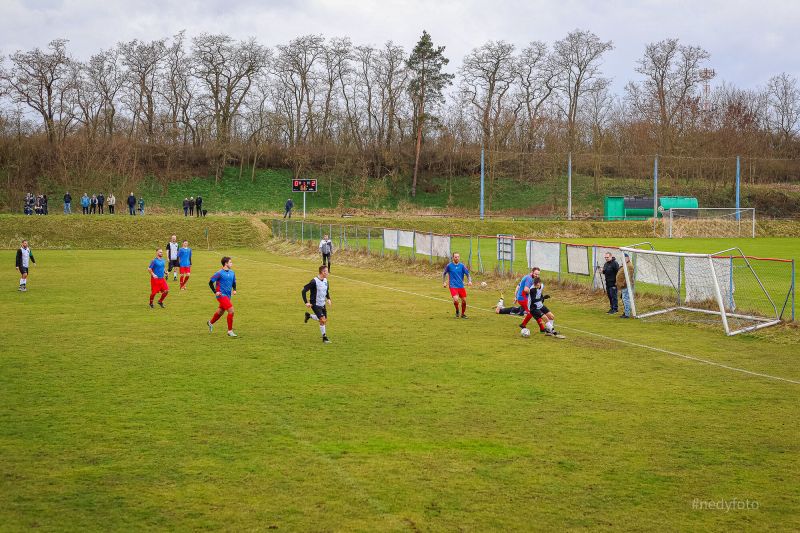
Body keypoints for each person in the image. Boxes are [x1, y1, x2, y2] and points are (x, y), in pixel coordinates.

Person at [208, 256, 238, 337]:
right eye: (230, 262)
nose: (232, 263)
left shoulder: (232, 272)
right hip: (221, 295)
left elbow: (234, 282)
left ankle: (210, 323)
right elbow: (210, 282)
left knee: (220, 312)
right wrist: (215, 292)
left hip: (228, 296)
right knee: (231, 311)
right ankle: (230, 331)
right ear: (226, 263)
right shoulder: (219, 273)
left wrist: (234, 289)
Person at [302, 265, 332, 344]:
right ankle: (324, 337)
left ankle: (309, 316)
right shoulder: (314, 281)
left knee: (323, 320)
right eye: (327, 271)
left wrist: (328, 298)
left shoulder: (326, 281)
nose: (328, 273)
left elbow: (326, 291)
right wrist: (306, 302)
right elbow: (303, 291)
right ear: (323, 272)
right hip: (315, 304)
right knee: (322, 319)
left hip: (322, 303)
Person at [442, 252, 472, 319]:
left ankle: (463, 314)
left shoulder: (462, 266)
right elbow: (444, 273)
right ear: (453, 258)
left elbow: (468, 274)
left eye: (458, 257)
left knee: (464, 301)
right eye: (455, 257)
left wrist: (470, 281)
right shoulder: (449, 266)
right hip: (453, 286)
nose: (457, 258)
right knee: (456, 299)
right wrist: (444, 282)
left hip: (461, 286)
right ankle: (457, 311)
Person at [617, 253, 634, 318]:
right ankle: (626, 312)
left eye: (624, 258)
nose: (623, 259)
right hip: (624, 286)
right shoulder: (625, 264)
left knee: (626, 299)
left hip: (626, 286)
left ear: (628, 258)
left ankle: (627, 314)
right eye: (622, 258)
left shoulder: (629, 265)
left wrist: (622, 284)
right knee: (624, 299)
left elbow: (629, 276)